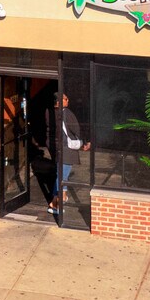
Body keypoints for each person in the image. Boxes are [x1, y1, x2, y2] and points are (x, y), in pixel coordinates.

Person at [52, 90, 85, 222]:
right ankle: (58, 203)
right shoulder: (66, 113)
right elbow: (76, 129)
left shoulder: (53, 113)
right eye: (65, 99)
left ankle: (56, 201)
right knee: (63, 178)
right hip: (67, 151)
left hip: (59, 149)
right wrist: (84, 142)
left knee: (60, 175)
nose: (68, 101)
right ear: (59, 102)